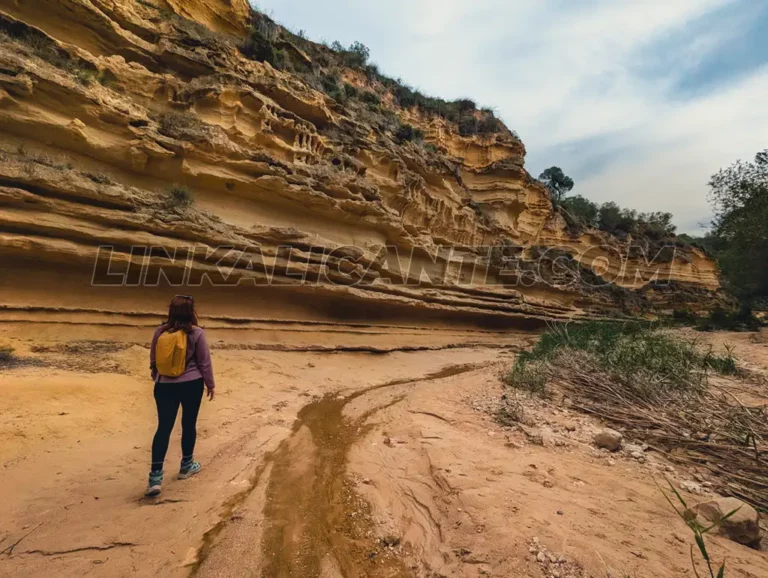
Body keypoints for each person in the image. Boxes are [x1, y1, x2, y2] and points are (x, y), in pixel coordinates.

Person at [146, 295, 215, 497]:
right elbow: (204, 362)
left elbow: (153, 360)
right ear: (191, 312)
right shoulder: (196, 333)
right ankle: (186, 465)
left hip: (164, 385)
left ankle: (155, 478)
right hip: (191, 384)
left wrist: (158, 378)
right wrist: (210, 384)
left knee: (163, 428)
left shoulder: (160, 332)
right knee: (188, 424)